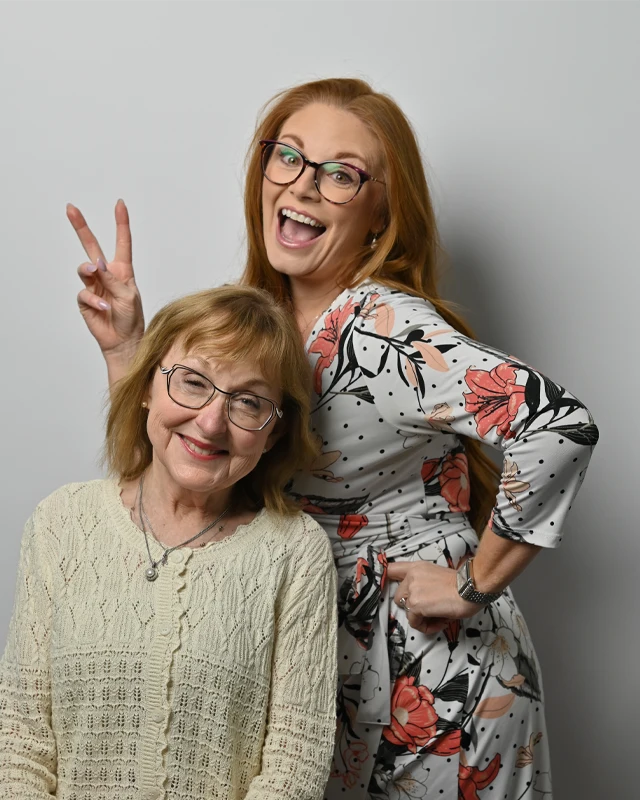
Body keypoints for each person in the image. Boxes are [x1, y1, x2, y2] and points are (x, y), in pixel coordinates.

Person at [66, 78, 598, 799]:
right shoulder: (265, 321)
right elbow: (190, 470)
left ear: (384, 210)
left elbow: (555, 423)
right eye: (288, 156)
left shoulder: (382, 328)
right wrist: (128, 348)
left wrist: (477, 584)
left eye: (341, 174)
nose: (305, 186)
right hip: (321, 666)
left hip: (433, 679)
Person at [0, 285, 338, 800]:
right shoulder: (60, 524)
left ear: (272, 433)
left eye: (248, 401)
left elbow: (296, 759)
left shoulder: (294, 551)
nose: (209, 421)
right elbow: (20, 739)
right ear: (145, 388)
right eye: (193, 382)